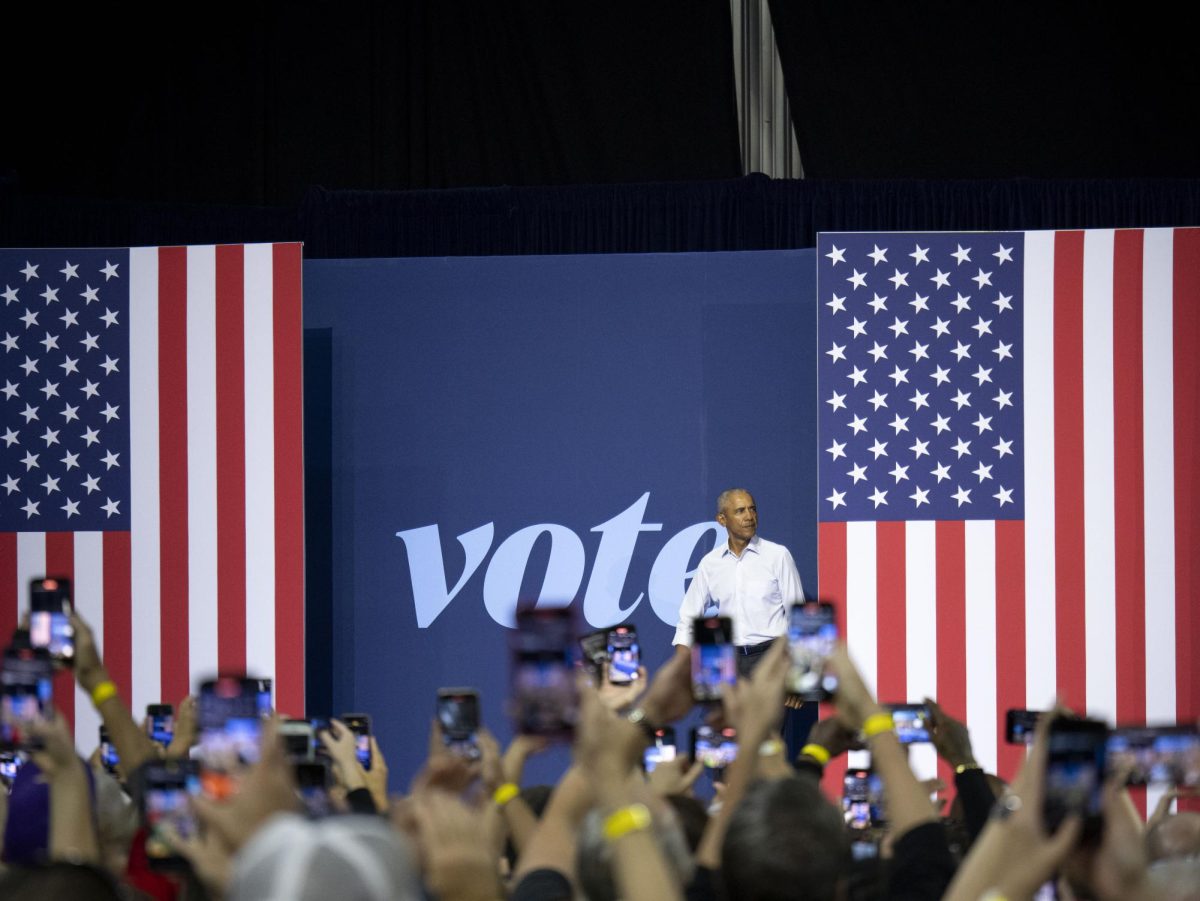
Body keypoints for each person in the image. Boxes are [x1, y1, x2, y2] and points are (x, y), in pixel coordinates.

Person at [672, 488, 805, 676]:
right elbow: (688, 618)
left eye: (753, 509)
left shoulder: (778, 555)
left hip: (771, 658)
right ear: (722, 519)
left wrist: (796, 673)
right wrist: (681, 667)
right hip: (727, 662)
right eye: (740, 511)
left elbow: (797, 616)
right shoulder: (710, 563)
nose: (749, 516)